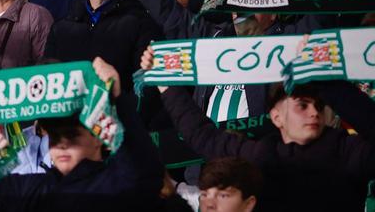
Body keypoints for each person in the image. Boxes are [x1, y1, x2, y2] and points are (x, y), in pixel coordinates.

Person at [143, 47, 375, 212]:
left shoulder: (350, 151)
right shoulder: (262, 154)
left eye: (319, 105)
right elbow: (201, 135)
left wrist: (329, 82)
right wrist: (165, 83)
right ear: (276, 117)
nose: (314, 112)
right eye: (302, 105)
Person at [0, 58, 164, 212]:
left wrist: (116, 99)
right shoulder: (41, 188)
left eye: (71, 136)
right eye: (54, 138)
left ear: (97, 137)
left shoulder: (116, 183)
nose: (61, 144)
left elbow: (147, 176)